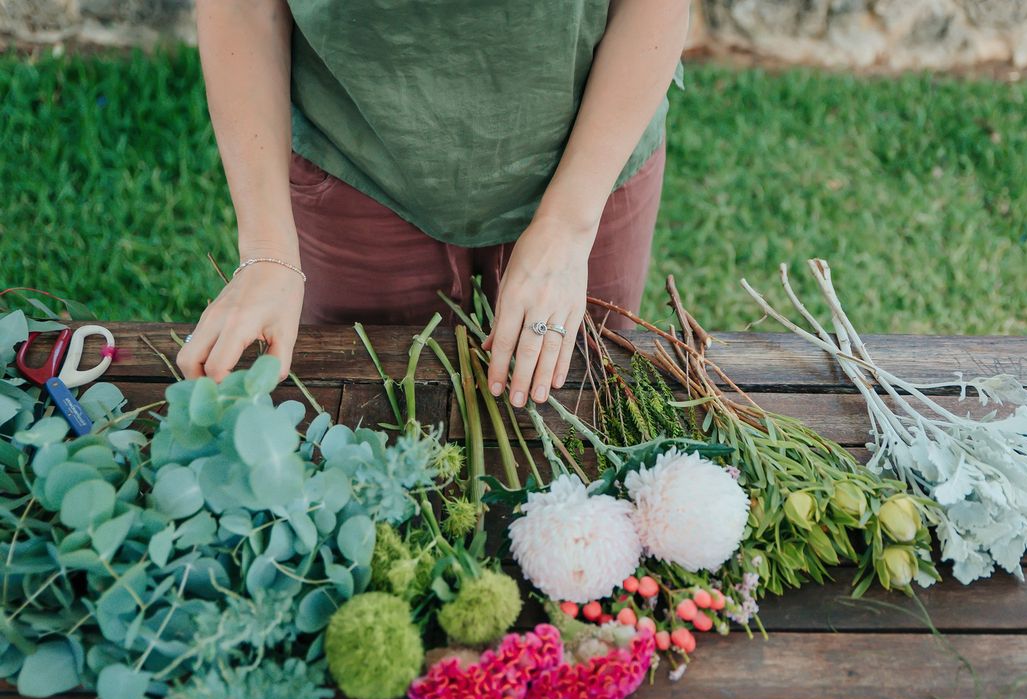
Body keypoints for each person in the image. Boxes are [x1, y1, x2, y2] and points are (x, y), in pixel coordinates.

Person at [178, 0, 689, 409]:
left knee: (582, 403)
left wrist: (569, 226)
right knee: (373, 411)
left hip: (591, 144)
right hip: (357, 155)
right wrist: (268, 249)